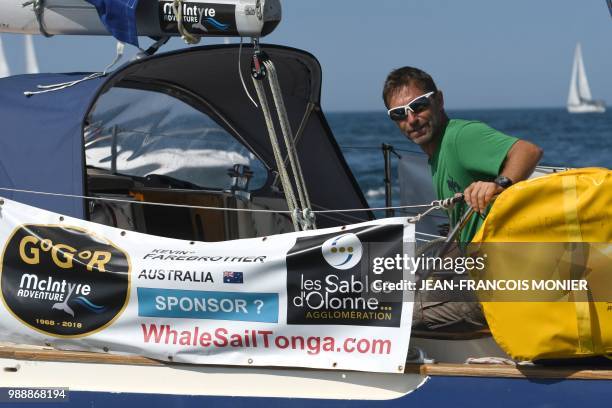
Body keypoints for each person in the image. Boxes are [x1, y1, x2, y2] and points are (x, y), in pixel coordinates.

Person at [382, 66, 543, 332]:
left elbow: (528, 151)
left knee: (395, 312)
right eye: (399, 114)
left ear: (439, 100)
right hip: (478, 270)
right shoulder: (437, 154)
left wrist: (498, 184)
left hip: (502, 286)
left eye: (418, 105)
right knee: (388, 279)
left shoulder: (460, 137)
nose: (411, 120)